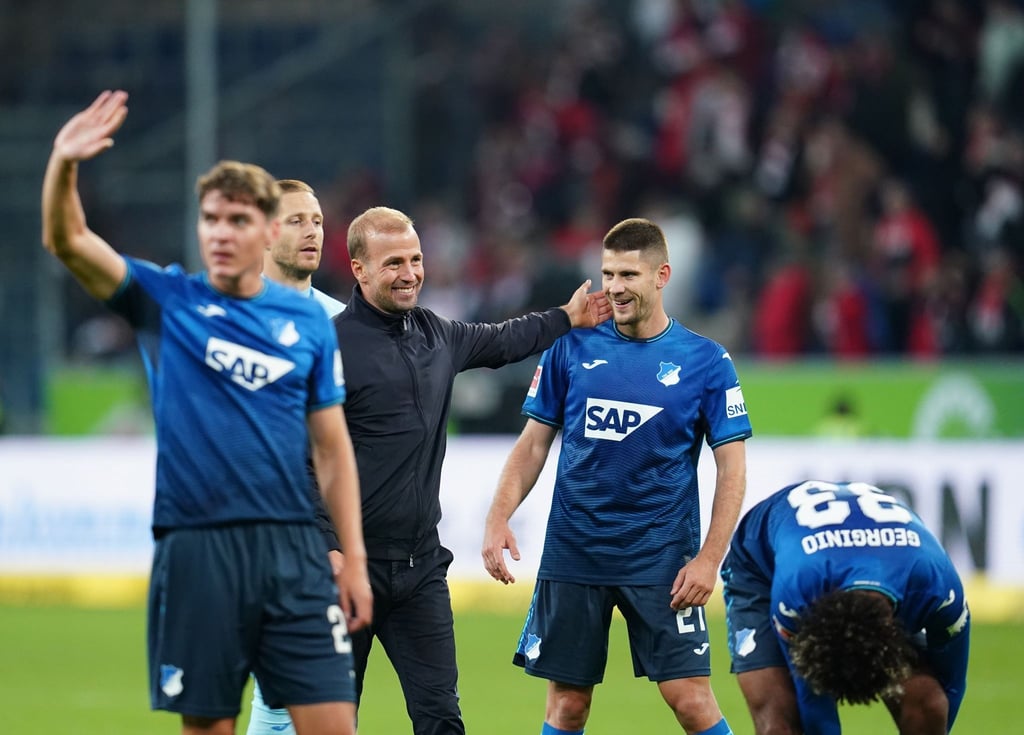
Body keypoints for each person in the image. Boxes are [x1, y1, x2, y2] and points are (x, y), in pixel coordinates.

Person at [41, 90, 371, 735]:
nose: (221, 233)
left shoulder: (308, 321)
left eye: (238, 220)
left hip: (294, 550)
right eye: (211, 219)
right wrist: (64, 162)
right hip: (199, 549)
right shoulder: (168, 301)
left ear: (268, 231)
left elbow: (332, 449)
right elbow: (68, 239)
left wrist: (353, 559)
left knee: (335, 725)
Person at [330, 205, 611, 735]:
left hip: (419, 571)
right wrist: (330, 550)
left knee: (442, 722)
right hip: (347, 569)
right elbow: (305, 461)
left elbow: (503, 340)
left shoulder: (437, 334)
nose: (410, 273)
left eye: (415, 259)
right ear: (358, 269)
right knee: (331, 723)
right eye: (393, 263)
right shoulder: (331, 347)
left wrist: (566, 318)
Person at [482, 217, 751, 735]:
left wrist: (709, 559)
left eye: (628, 274)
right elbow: (533, 443)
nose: (615, 287)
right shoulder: (571, 347)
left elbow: (732, 472)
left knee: (691, 701)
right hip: (574, 553)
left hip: (661, 558)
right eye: (608, 274)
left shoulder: (707, 362)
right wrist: (499, 517)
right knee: (567, 708)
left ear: (661, 275)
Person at [720, 480, 970, 735]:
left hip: (850, 561)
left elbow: (951, 686)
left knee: (928, 704)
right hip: (760, 569)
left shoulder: (940, 590)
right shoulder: (797, 590)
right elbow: (814, 707)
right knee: (779, 726)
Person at [245, 178, 346, 735]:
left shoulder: (340, 324)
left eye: (317, 220)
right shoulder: (228, 314)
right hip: (246, 529)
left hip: (315, 534)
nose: (312, 231)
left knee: (291, 693)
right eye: (296, 220)